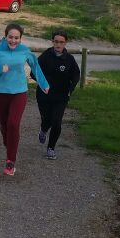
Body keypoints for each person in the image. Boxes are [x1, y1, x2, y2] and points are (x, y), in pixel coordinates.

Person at [0, 22, 49, 176]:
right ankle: (8, 141)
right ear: (5, 36)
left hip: (19, 93)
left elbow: (35, 66)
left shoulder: (24, 51)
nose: (13, 41)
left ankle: (10, 161)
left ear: (20, 38)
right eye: (10, 37)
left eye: (16, 38)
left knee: (13, 124)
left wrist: (44, 84)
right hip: (0, 93)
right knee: (5, 125)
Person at [37, 29, 81, 159]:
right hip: (44, 95)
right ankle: (43, 129)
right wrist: (43, 83)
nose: (58, 44)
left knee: (56, 121)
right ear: (52, 42)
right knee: (47, 119)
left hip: (61, 96)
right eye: (56, 42)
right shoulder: (45, 56)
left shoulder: (69, 59)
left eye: (61, 42)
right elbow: (35, 71)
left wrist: (70, 89)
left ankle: (51, 148)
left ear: (65, 43)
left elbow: (76, 75)